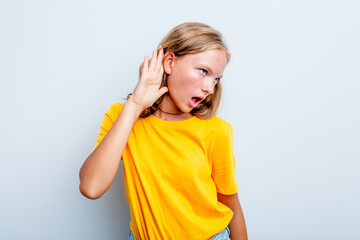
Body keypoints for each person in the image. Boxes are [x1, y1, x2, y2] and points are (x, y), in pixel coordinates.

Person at [79, 22, 248, 240]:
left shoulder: (217, 130)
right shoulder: (123, 117)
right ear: (169, 62)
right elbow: (91, 187)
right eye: (203, 71)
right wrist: (135, 105)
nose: (209, 87)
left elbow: (231, 203)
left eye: (216, 78)